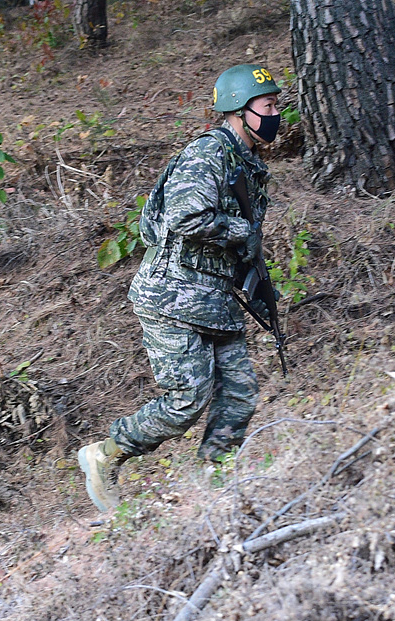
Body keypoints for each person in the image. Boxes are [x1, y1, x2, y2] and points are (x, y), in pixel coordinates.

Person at [79, 64, 281, 512]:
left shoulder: (247, 162)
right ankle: (104, 454)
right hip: (172, 296)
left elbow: (238, 240)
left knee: (241, 391)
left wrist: (257, 280)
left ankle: (212, 485)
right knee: (187, 400)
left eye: (274, 106)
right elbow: (185, 219)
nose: (275, 114)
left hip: (214, 300)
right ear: (239, 109)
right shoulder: (207, 154)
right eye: (268, 106)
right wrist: (239, 232)